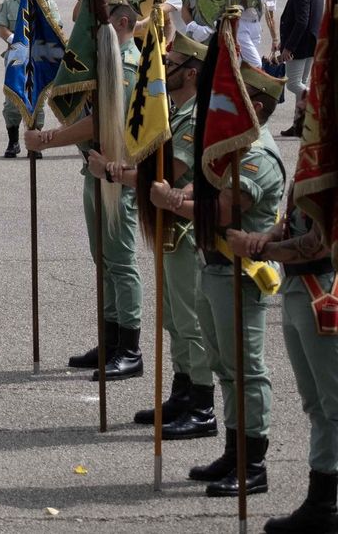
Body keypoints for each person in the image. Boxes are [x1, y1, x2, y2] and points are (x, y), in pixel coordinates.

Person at [147, 65, 287, 498]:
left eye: (237, 94)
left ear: (257, 107)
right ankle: (233, 451)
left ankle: (253, 462)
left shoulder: (257, 156)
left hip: (239, 275)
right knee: (226, 368)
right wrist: (180, 196)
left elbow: (224, 210)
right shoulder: (233, 147)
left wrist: (173, 202)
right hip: (215, 267)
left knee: (246, 370)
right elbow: (207, 190)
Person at [26, 0, 145, 380]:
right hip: (96, 169)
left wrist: (47, 139)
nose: (89, 31)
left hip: (118, 174)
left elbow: (101, 120)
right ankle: (110, 339)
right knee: (104, 259)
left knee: (121, 262)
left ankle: (130, 347)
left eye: (98, 22)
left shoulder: (126, 65)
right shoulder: (105, 60)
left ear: (122, 22)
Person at [228, 156, 338, 528]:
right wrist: (268, 236)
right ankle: (322, 501)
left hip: (322, 286)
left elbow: (319, 244)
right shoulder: (318, 155)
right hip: (298, 286)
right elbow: (294, 216)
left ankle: (325, 504)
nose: (305, 105)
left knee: (333, 404)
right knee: (317, 404)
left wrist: (259, 249)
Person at [129, 33, 215, 439]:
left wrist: (118, 171)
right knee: (174, 320)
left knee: (190, 320)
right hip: (170, 231)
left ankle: (202, 404)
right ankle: (182, 391)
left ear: (192, 73)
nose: (165, 70)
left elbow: (173, 174)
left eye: (174, 64)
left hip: (186, 231)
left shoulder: (194, 117)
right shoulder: (174, 111)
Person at [0, 0, 62, 157]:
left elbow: (57, 30)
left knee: (38, 101)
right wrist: (14, 40)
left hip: (40, 58)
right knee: (12, 102)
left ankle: (36, 142)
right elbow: (1, 28)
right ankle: (13, 141)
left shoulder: (48, 4)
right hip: (17, 58)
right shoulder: (10, 3)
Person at [280, 0, 324, 137]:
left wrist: (288, 47)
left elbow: (301, 22)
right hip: (311, 45)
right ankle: (300, 125)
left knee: (293, 84)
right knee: (301, 83)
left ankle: (316, 103)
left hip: (299, 47)